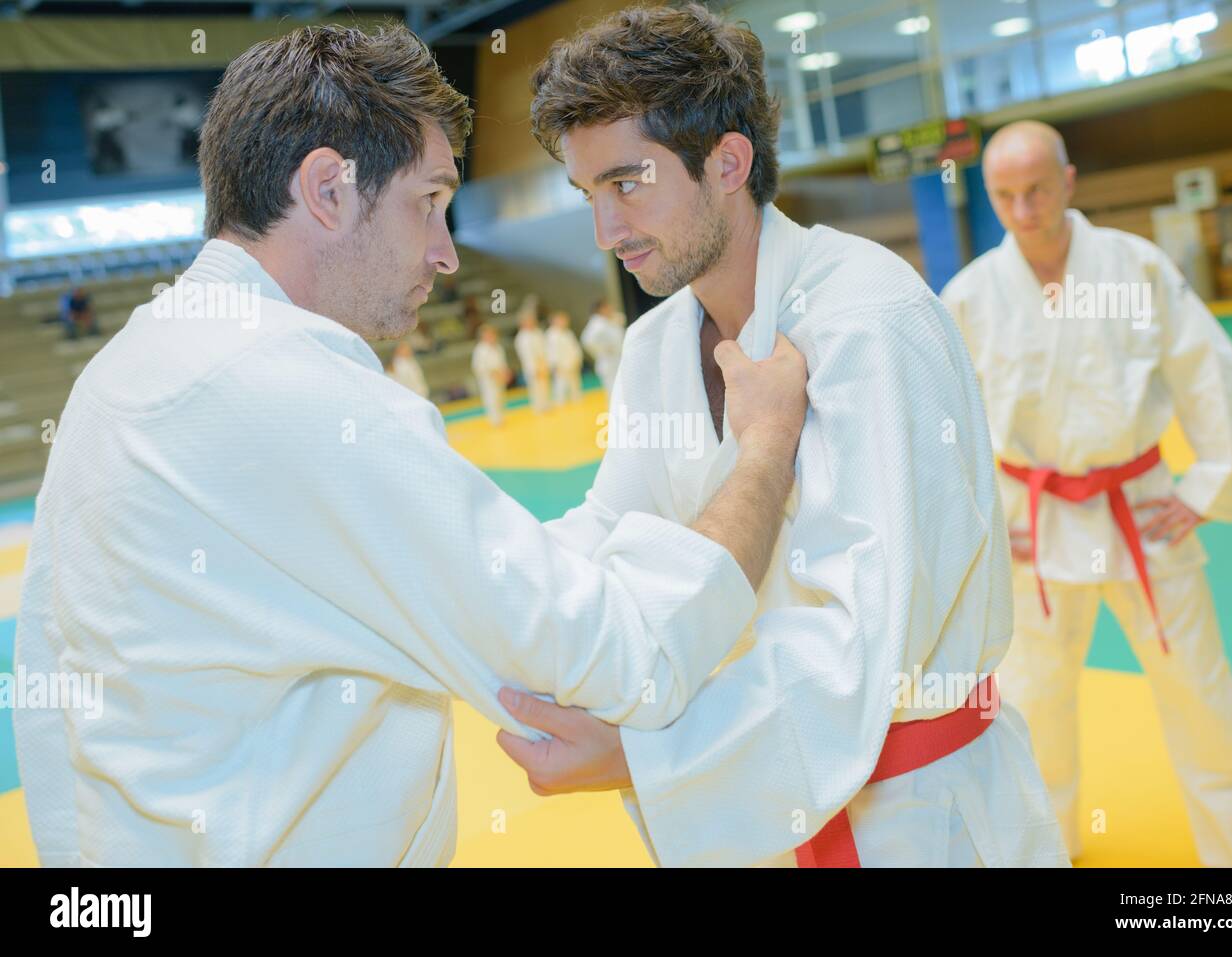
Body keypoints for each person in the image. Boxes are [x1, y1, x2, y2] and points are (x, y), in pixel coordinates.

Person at [13, 23, 810, 868]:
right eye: (428, 201)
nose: (446, 251)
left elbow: (55, 722)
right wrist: (761, 451)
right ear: (328, 189)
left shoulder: (126, 370)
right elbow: (626, 653)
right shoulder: (288, 388)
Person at [495, 4, 1068, 868]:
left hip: (918, 816)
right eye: (590, 195)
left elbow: (866, 641)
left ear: (728, 160)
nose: (605, 232)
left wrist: (645, 755)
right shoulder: (656, 341)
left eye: (628, 183)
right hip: (757, 809)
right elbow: (617, 530)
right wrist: (487, 591)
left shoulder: (870, 321)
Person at [940, 120, 1232, 867]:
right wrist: (986, 522)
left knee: (1203, 695)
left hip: (1141, 509)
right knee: (1031, 708)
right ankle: (1043, 849)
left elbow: (1209, 367)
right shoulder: (970, 295)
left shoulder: (1136, 266)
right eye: (1004, 196)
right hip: (1032, 525)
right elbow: (944, 422)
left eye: (1037, 189)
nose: (1024, 209)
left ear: (1068, 180)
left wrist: (1206, 483)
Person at [581, 297, 625, 394]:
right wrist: (604, 350)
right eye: (607, 307)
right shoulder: (597, 323)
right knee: (614, 392)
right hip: (608, 362)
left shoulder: (610, 320)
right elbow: (587, 340)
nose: (610, 308)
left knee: (621, 391)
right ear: (601, 309)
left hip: (617, 360)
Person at [513, 303, 550, 413]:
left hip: (543, 363)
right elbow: (526, 356)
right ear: (523, 323)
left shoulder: (537, 333)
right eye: (529, 320)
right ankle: (538, 408)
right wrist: (535, 368)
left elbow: (544, 349)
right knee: (536, 388)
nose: (532, 322)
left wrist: (545, 363)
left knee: (545, 386)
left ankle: (546, 405)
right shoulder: (522, 338)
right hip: (532, 367)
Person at [471, 324, 509, 426]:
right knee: (491, 400)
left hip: (499, 377)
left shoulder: (498, 347)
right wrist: (493, 373)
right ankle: (495, 421)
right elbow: (478, 367)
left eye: (492, 334)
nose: (491, 337)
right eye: (488, 335)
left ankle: (500, 418)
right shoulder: (480, 350)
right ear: (483, 336)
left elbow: (502, 362)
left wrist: (505, 373)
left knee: (500, 399)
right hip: (488, 380)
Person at [546, 310, 584, 404]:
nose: (564, 322)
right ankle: (560, 405)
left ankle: (577, 402)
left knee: (575, 386)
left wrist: (578, 359)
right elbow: (551, 352)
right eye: (561, 320)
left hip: (572, 364)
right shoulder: (551, 335)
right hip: (561, 367)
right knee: (561, 387)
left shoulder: (568, 333)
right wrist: (555, 366)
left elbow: (575, 348)